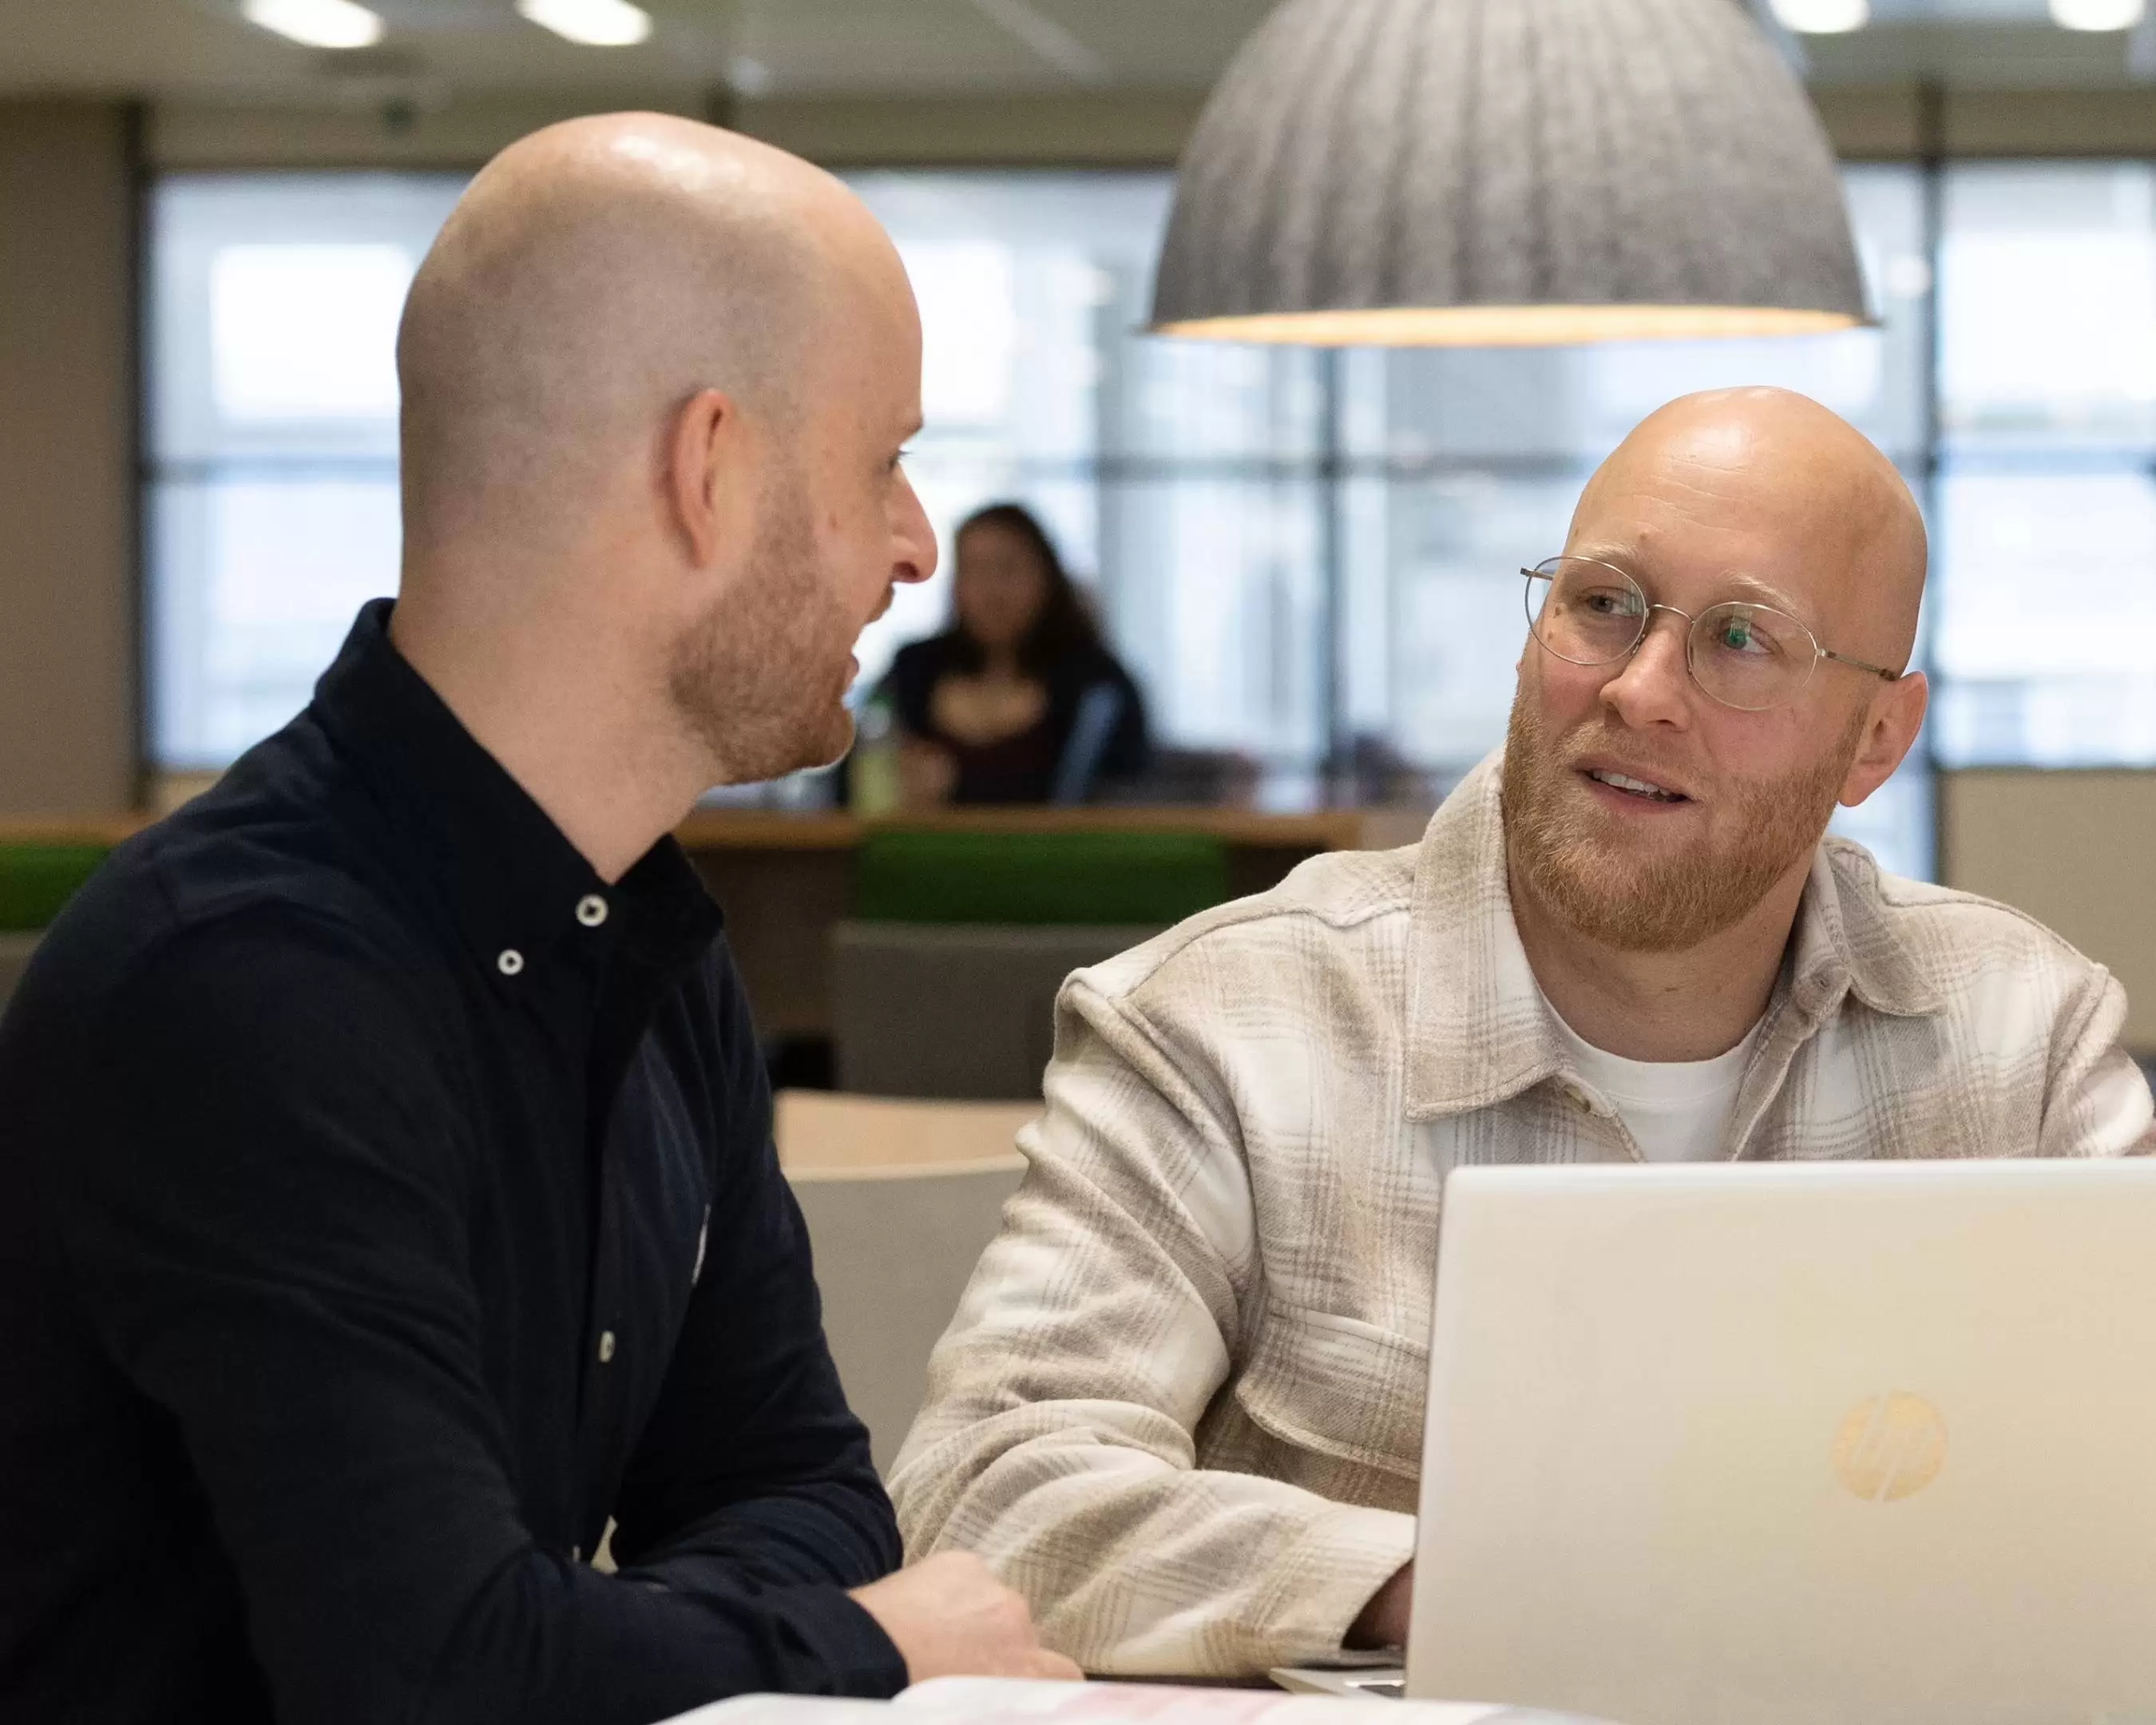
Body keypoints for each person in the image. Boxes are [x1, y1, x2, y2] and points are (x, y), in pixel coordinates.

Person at [0, 114, 1076, 1725]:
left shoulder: (649, 943)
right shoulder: (246, 987)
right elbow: (435, 1677)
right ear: (708, 470)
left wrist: (592, 1645)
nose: (917, 544)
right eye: (883, 463)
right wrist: (872, 1645)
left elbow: (802, 1494)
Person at [888, 387, 2156, 1679]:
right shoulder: (1222, 1021)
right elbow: (985, 1497)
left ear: (1876, 739)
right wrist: (1463, 1588)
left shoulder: (2021, 1034)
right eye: (1603, 604)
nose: (1642, 690)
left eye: (1740, 638)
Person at [878, 502, 1149, 805]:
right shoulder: (912, 670)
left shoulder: (1100, 687)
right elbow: (854, 775)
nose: (992, 591)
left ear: (1047, 576)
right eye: (974, 570)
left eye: (1008, 569)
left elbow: (1127, 798)